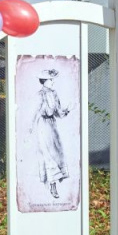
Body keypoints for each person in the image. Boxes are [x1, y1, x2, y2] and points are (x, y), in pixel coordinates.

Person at [33, 68, 69, 199]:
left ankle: (57, 183)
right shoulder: (39, 95)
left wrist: (66, 110)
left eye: (53, 79)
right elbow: (37, 112)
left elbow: (58, 112)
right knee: (47, 154)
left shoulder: (54, 94)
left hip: (52, 126)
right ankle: (51, 186)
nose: (53, 82)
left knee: (57, 152)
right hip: (42, 125)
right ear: (44, 81)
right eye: (50, 79)